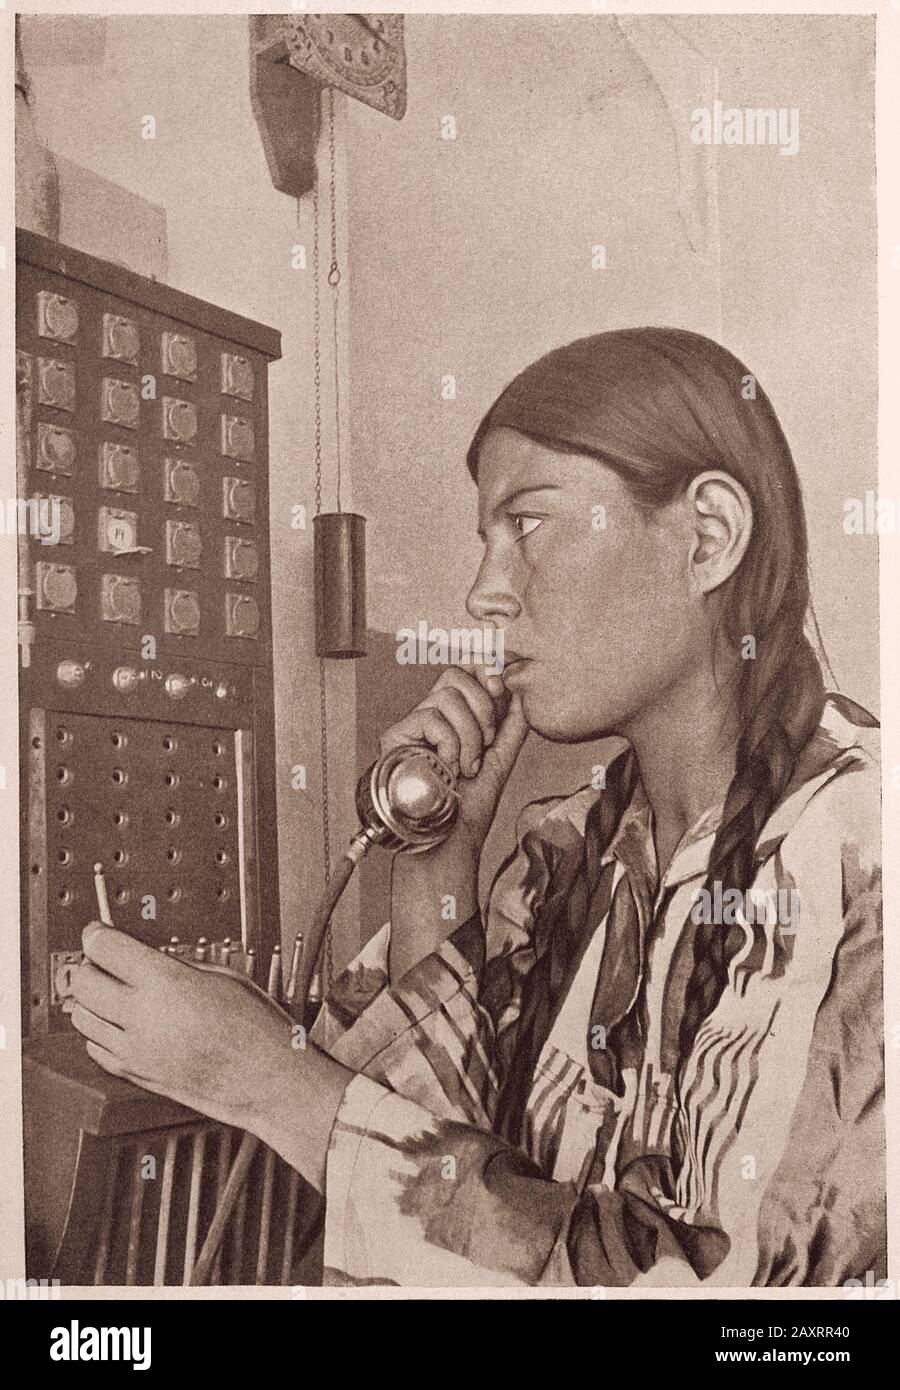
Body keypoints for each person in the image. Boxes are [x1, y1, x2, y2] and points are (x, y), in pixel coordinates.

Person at [72, 327, 883, 1288]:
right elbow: (458, 1236)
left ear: (707, 535)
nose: (484, 593)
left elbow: (732, 1307)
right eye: (486, 542)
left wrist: (273, 1083)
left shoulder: (862, 847)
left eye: (528, 525)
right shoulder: (568, 849)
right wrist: (435, 869)